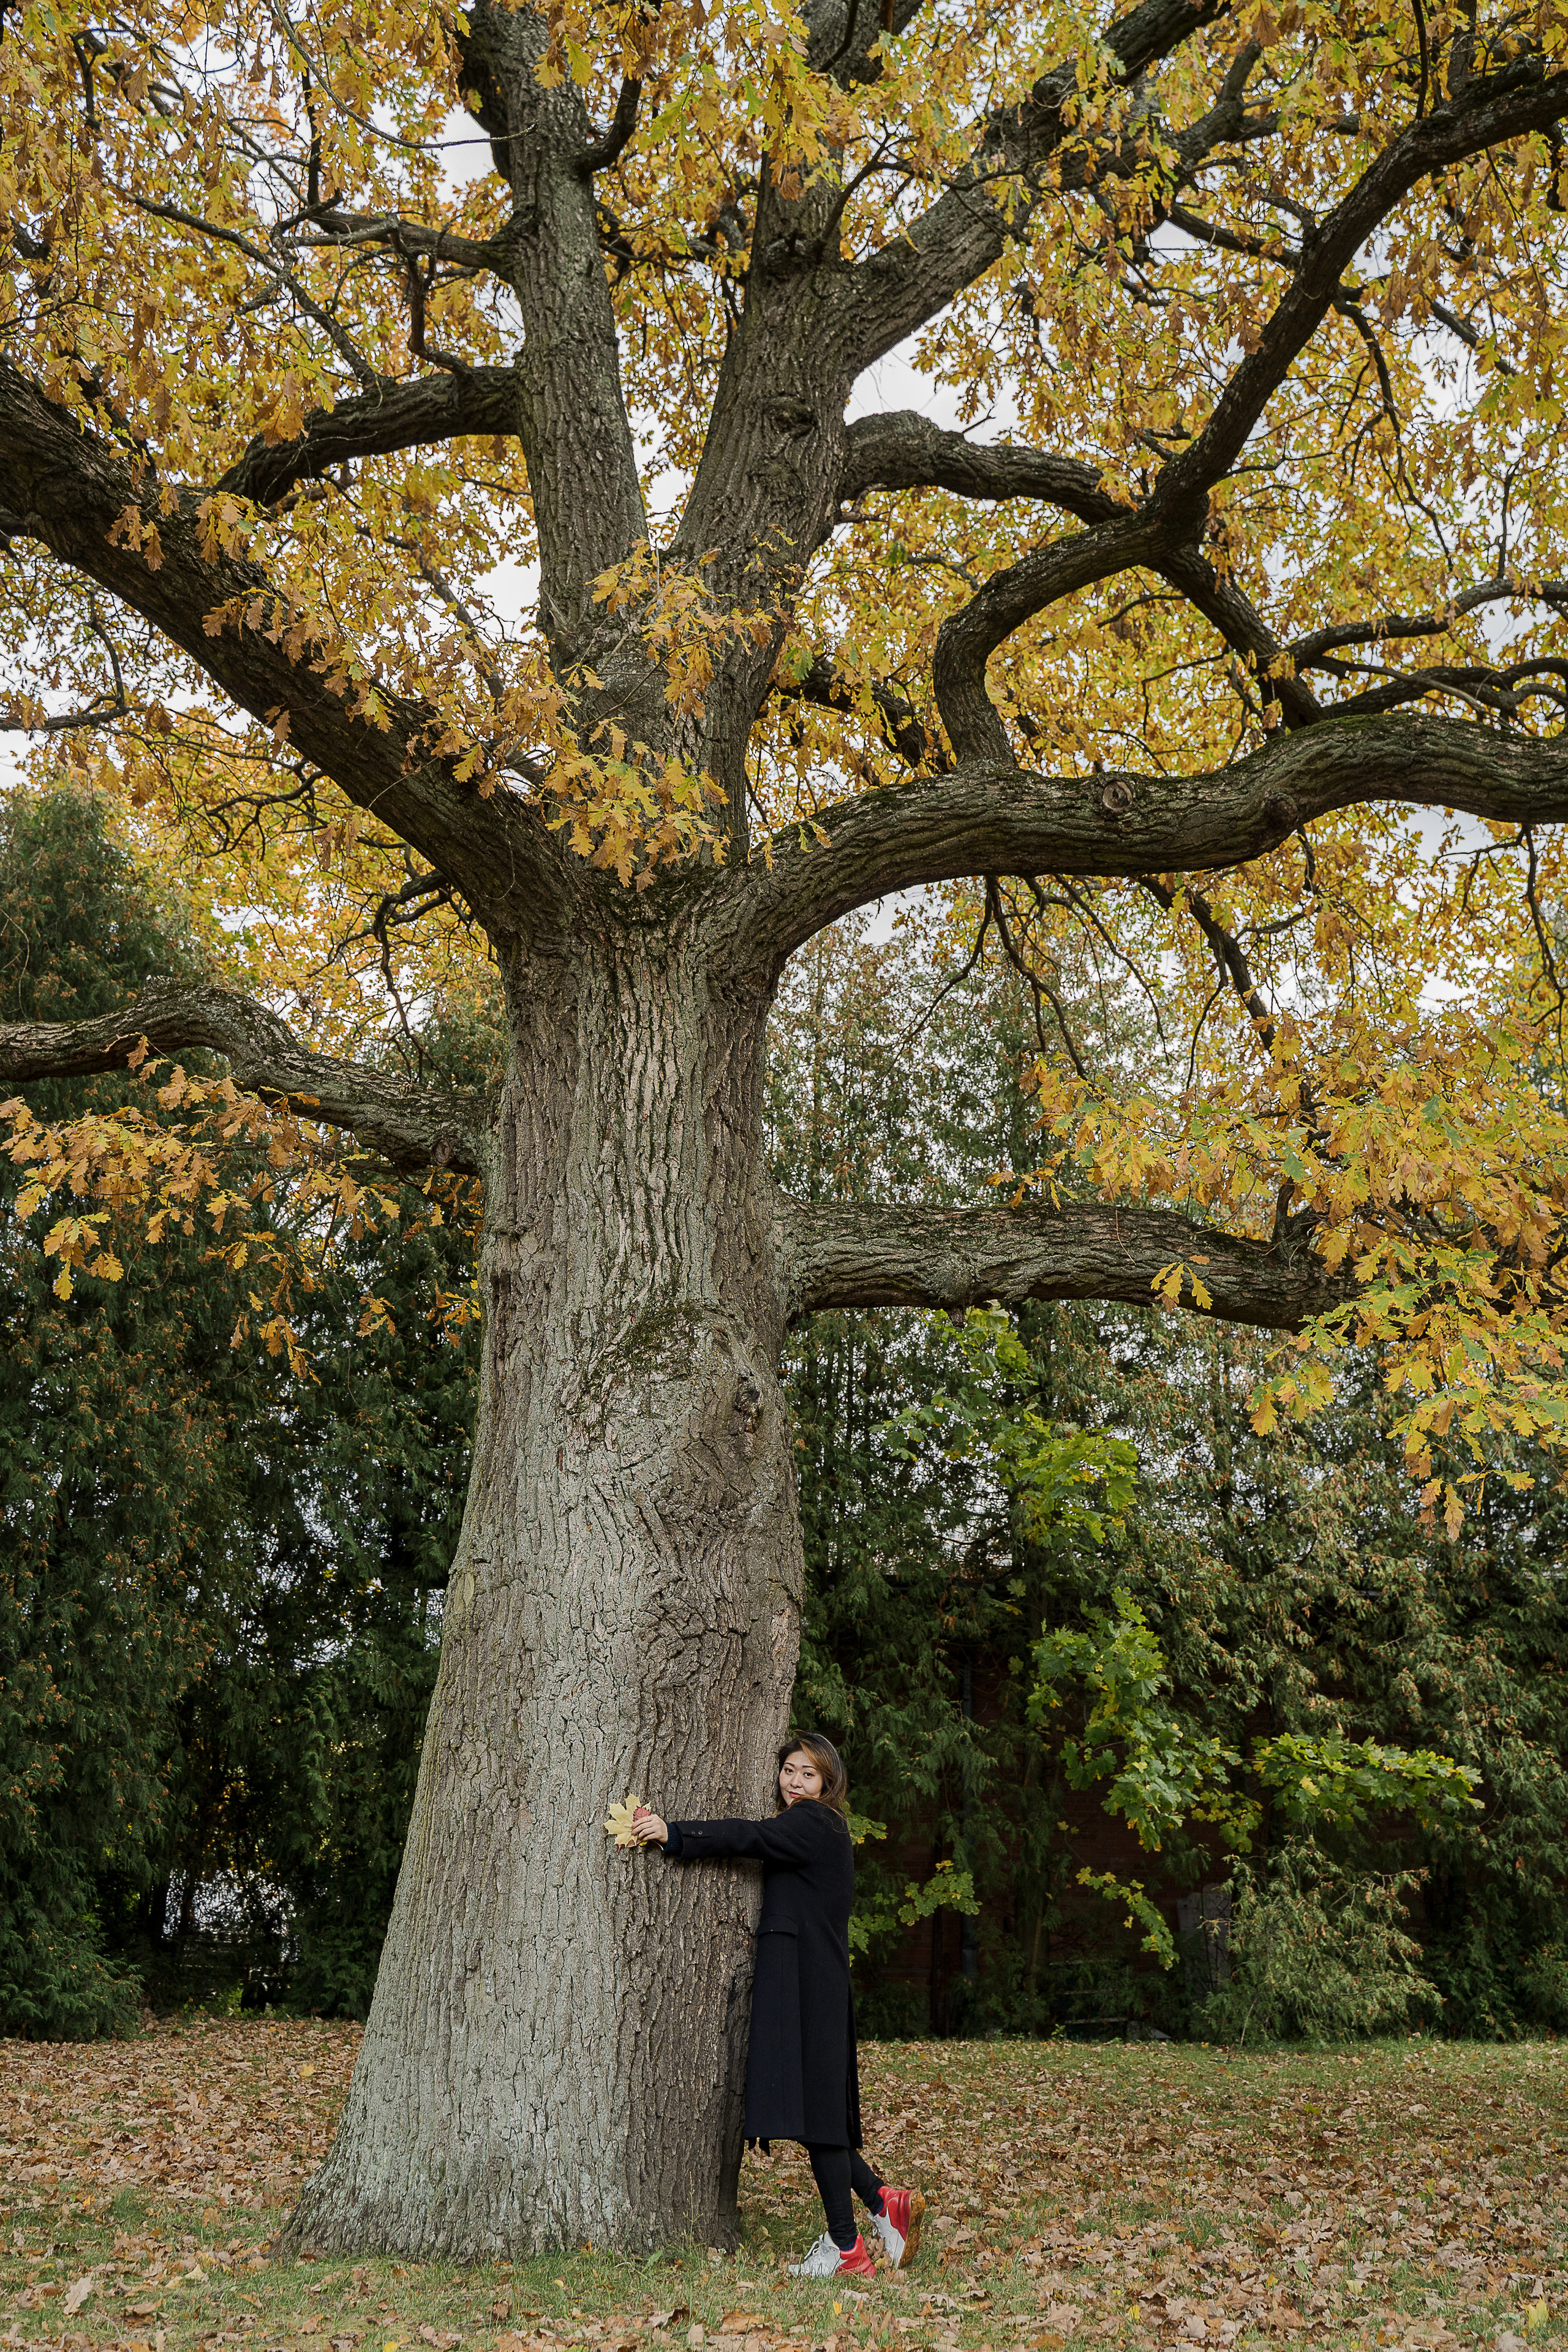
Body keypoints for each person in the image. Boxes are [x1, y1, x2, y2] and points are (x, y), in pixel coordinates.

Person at [631, 1733, 924, 2280]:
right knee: (815, 2109)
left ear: (828, 1782)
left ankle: (847, 2249)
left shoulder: (816, 1821)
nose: (795, 1782)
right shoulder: (817, 1826)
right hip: (811, 1976)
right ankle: (885, 2203)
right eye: (789, 1770)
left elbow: (748, 1836)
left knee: (818, 2115)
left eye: (808, 1774)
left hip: (809, 1981)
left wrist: (674, 1833)